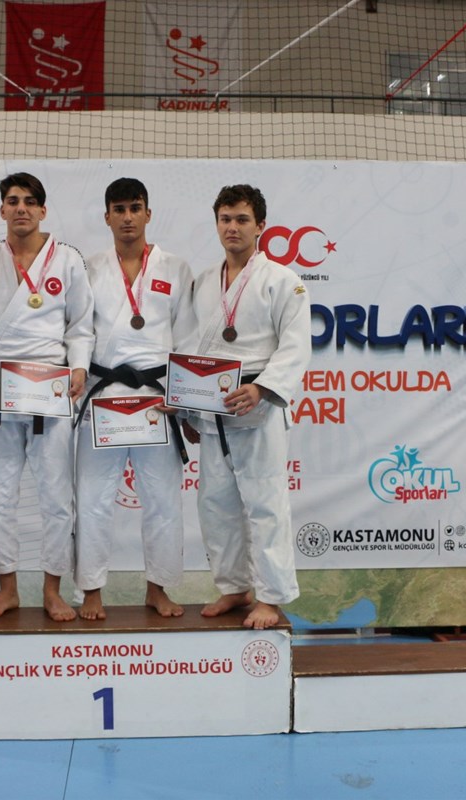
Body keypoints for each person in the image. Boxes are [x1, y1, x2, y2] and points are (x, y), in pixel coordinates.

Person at [0, 172, 93, 622]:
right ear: (2, 209)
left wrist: (79, 366)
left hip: (50, 389)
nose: (21, 208)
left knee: (57, 498)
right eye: (13, 200)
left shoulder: (68, 259)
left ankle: (52, 590)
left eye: (29, 201)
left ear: (42, 210)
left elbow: (81, 324)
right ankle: (7, 589)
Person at [187, 184, 311, 630]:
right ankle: (234, 587)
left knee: (265, 503)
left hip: (257, 404)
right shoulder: (204, 282)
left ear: (260, 226)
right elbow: (190, 345)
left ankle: (271, 597)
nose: (232, 228)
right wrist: (187, 406)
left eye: (242, 219)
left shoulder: (283, 280)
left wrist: (262, 388)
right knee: (215, 502)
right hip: (211, 404)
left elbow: (296, 346)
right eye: (225, 219)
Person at [75, 178, 196, 620]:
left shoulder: (175, 268)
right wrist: (78, 377)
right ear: (107, 216)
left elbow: (187, 337)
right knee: (92, 498)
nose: (128, 217)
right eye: (119, 209)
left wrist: (183, 399)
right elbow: (79, 332)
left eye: (135, 208)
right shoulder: (88, 269)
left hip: (157, 399)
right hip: (103, 396)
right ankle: (91, 590)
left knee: (162, 499)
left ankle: (157, 588)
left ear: (148, 213)